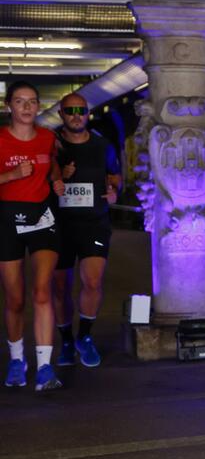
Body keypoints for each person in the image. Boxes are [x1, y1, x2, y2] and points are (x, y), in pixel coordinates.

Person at [0, 81, 66, 392]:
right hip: (7, 219)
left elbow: (50, 163)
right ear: (8, 106)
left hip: (42, 218)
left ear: (38, 106)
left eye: (31, 101)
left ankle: (44, 367)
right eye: (19, 101)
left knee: (42, 291)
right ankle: (17, 360)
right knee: (14, 298)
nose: (26, 107)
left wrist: (56, 179)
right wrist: (11, 176)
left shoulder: (47, 137)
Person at [52, 93, 121, 368]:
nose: (76, 115)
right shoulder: (52, 144)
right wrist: (60, 176)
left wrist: (115, 191)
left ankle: (85, 337)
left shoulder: (103, 145)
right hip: (59, 224)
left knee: (93, 282)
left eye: (81, 110)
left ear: (88, 113)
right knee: (60, 288)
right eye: (70, 111)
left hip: (94, 222)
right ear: (61, 114)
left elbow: (115, 176)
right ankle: (66, 340)